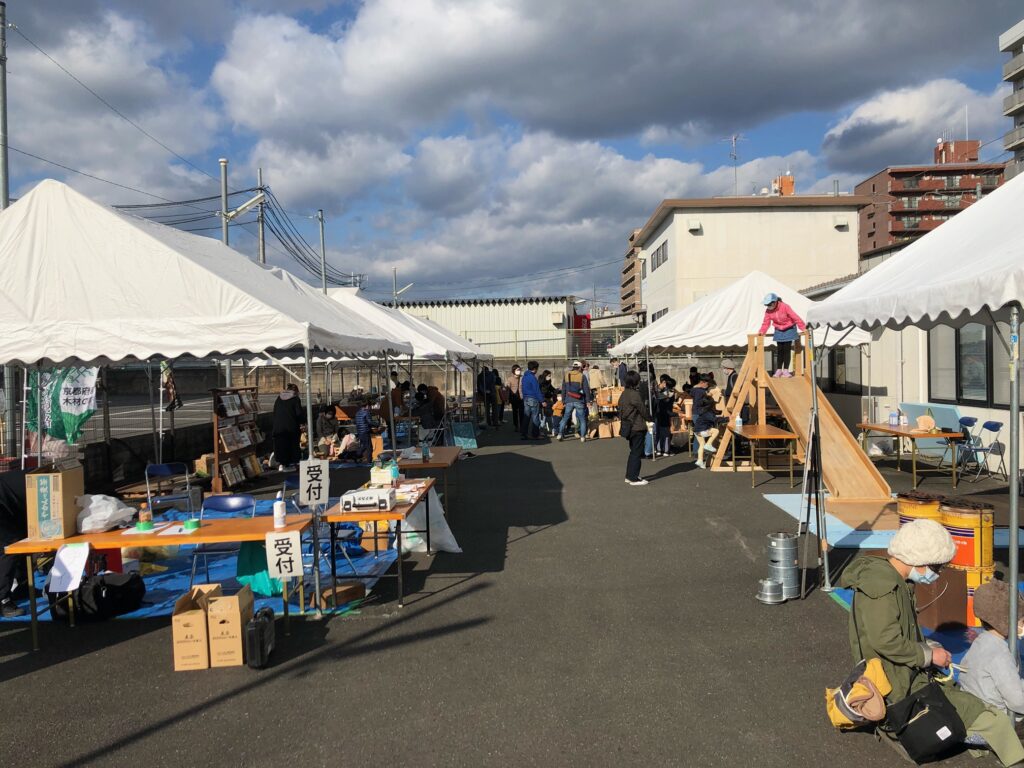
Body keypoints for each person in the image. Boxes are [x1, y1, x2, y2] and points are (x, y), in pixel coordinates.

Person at [839, 521, 1024, 767]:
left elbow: (896, 632)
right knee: (985, 716)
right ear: (918, 559)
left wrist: (928, 646)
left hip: (899, 671)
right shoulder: (883, 587)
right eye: (937, 566)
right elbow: (885, 640)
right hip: (896, 679)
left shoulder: (893, 579)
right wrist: (929, 656)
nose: (937, 573)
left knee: (962, 700)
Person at [959, 578, 1024, 717]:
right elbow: (1017, 702)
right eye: (1022, 621)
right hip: (993, 719)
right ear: (1006, 621)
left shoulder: (981, 641)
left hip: (971, 710)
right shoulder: (1000, 655)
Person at [759, 292, 806, 378]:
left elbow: (795, 317)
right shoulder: (768, 311)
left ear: (775, 302)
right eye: (766, 305)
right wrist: (762, 331)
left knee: (786, 349)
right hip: (779, 329)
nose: (768, 306)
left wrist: (803, 327)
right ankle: (779, 370)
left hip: (789, 328)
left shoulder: (785, 306)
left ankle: (786, 370)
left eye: (769, 304)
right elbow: (766, 322)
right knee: (780, 350)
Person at [0, 469, 27, 618]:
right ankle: (3, 601)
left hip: (9, 505)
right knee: (10, 547)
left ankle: (22, 586)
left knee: (22, 540)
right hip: (5, 504)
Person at [618, 370, 651, 486]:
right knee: (636, 453)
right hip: (637, 426)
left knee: (633, 452)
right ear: (635, 382)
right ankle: (633, 478)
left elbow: (620, 409)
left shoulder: (624, 393)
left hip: (628, 426)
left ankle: (630, 475)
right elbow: (642, 409)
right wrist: (650, 419)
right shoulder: (635, 394)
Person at [272, 383, 304, 470]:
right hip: (291, 427)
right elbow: (299, 413)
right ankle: (293, 463)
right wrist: (302, 422)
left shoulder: (279, 398)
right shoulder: (295, 399)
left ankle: (282, 464)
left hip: (278, 427)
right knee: (293, 445)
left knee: (281, 445)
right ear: (295, 391)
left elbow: (274, 412)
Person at [690, 374, 719, 468]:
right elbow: (701, 403)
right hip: (699, 413)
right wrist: (708, 396)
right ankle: (700, 452)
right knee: (702, 436)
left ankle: (699, 456)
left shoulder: (695, 389)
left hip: (696, 413)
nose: (708, 385)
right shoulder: (700, 392)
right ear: (702, 382)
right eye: (707, 383)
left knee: (699, 436)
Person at [558, 361, 590, 443]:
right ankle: (582, 437)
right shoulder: (582, 376)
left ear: (573, 367)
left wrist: (563, 400)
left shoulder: (566, 375)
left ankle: (560, 434)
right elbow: (586, 390)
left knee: (565, 418)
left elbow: (563, 389)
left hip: (568, 400)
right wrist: (588, 401)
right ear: (580, 368)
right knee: (582, 419)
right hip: (579, 400)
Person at [654, 375, 677, 457]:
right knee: (666, 433)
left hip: (659, 413)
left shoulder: (660, 393)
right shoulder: (670, 394)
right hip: (666, 414)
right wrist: (676, 414)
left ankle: (659, 449)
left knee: (659, 432)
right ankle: (666, 450)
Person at [520, 361, 543, 440]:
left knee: (526, 417)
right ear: (535, 368)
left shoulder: (524, 376)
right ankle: (535, 435)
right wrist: (542, 400)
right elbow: (537, 390)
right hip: (533, 398)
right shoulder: (533, 377)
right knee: (535, 417)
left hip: (526, 398)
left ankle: (524, 433)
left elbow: (522, 388)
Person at [354, 396, 374, 462]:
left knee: (364, 446)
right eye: (370, 406)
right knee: (369, 447)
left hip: (359, 432)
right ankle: (369, 461)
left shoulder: (357, 413)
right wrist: (378, 424)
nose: (370, 407)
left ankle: (356, 456)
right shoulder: (366, 412)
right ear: (367, 405)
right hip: (365, 432)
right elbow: (370, 422)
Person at [507, 364, 524, 431]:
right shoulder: (510, 379)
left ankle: (522, 426)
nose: (519, 371)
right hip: (514, 398)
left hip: (521, 397)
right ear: (514, 370)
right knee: (515, 412)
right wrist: (507, 399)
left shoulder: (522, 378)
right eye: (517, 370)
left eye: (519, 370)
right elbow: (508, 389)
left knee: (522, 412)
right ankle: (516, 426)